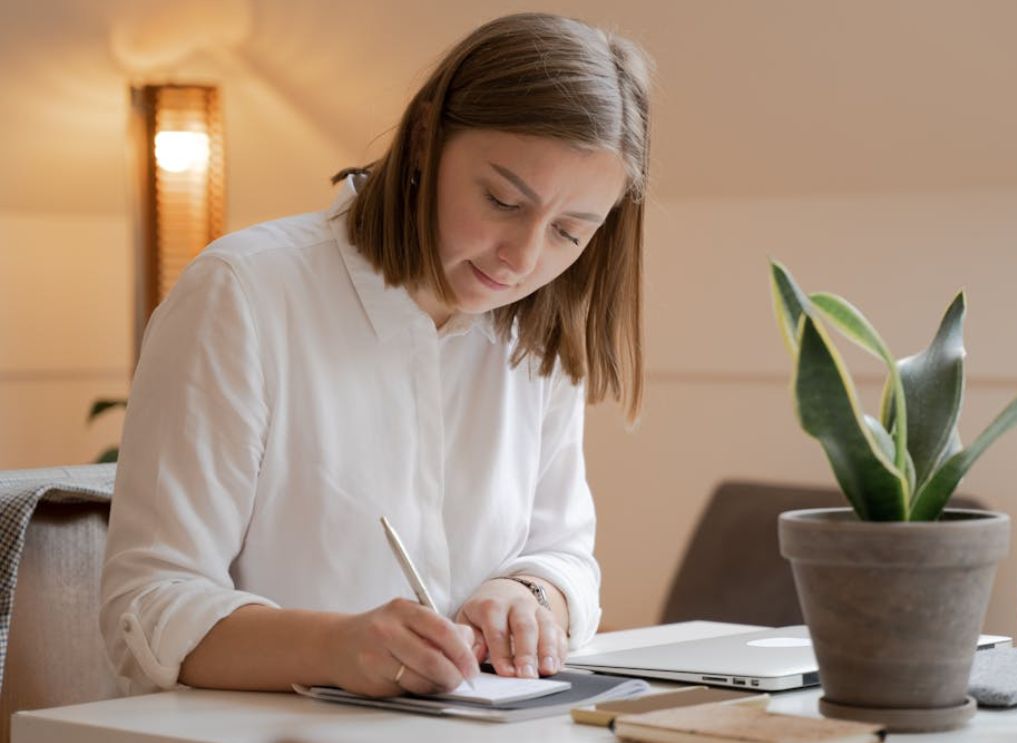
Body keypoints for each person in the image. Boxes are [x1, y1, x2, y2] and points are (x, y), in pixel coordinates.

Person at [99, 12, 652, 698]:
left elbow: (564, 553)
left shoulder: (532, 331)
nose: (524, 257)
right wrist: (335, 647)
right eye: (502, 200)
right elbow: (146, 606)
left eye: (571, 232)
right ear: (425, 139)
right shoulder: (244, 294)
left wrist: (529, 593)